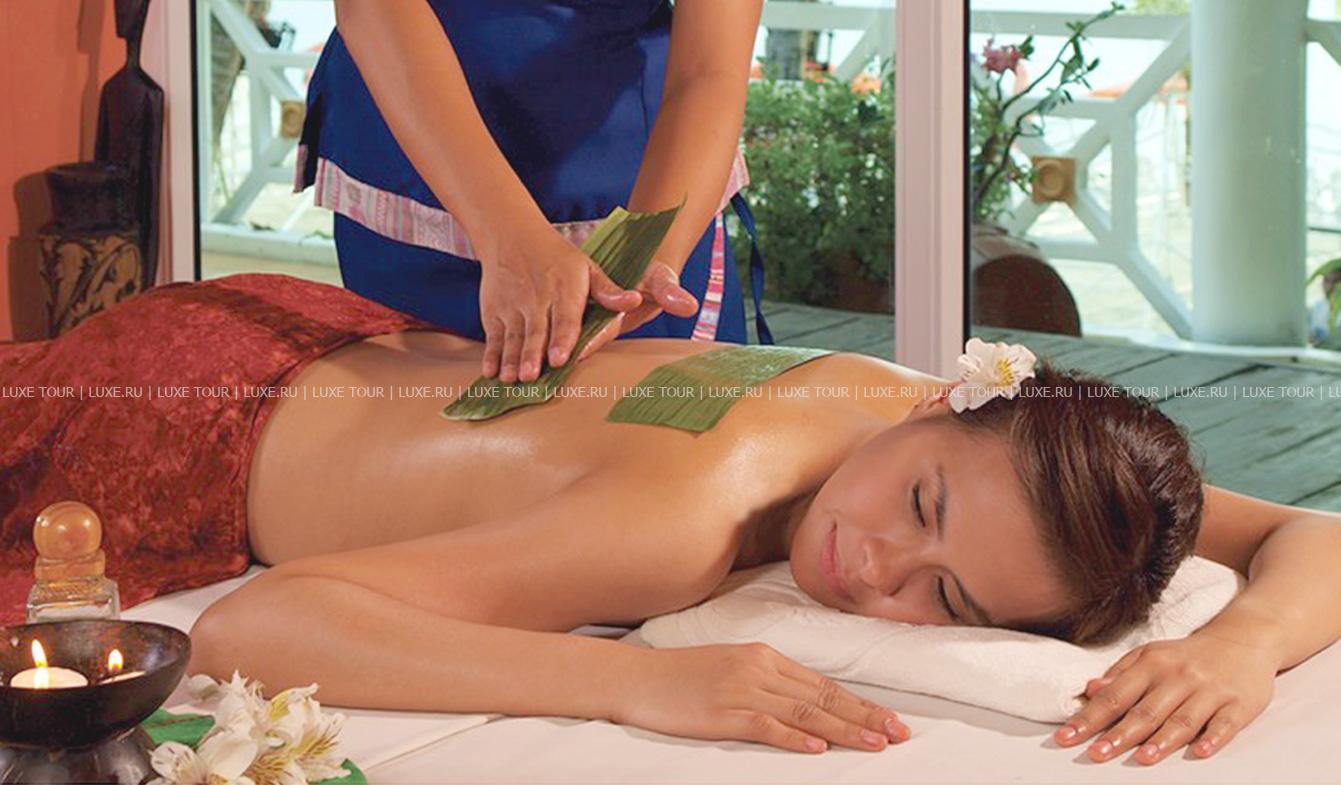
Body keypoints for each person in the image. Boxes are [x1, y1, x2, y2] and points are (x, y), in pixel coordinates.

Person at [3, 274, 1339, 765]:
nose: (873, 561)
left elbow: (1314, 534)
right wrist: (640, 681)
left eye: (945, 598)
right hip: (178, 423)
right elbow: (261, 623)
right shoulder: (683, 523)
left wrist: (1238, 643)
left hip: (294, 323)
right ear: (947, 406)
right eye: (919, 503)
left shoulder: (917, 413)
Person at [295, 1, 767, 386]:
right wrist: (508, 238)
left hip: (639, 189)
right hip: (418, 163)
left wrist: (647, 251)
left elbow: (710, 69)